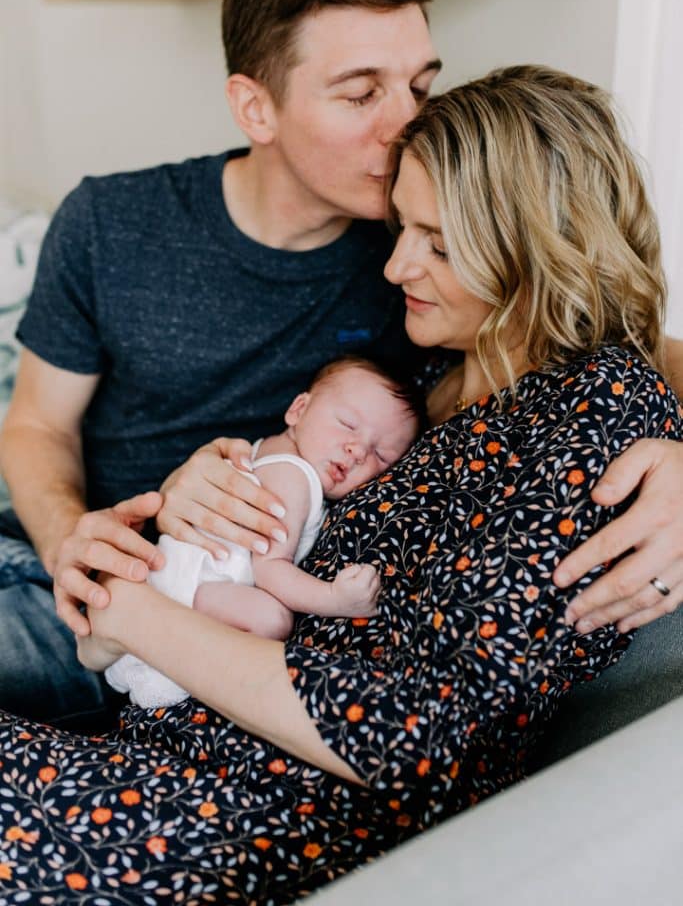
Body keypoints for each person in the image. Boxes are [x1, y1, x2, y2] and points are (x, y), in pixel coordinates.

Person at [1, 65, 680, 904]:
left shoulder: (590, 409)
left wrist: (129, 608)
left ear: (535, 244)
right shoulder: (443, 370)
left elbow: (417, 734)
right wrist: (195, 492)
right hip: (160, 744)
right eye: (402, 227)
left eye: (436, 241)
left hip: (254, 820)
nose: (395, 265)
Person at [0, 0, 682, 733]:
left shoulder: (439, 269)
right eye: (360, 95)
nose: (403, 130)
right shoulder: (110, 222)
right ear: (256, 105)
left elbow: (612, 345)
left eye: (419, 88)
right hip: (80, 566)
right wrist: (72, 546)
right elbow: (38, 422)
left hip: (187, 624)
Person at [101, 356, 421, 706]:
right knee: (272, 620)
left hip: (183, 577)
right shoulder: (293, 475)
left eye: (381, 455)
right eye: (347, 424)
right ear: (298, 409)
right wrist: (335, 599)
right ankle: (177, 673)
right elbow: (271, 570)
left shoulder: (273, 449)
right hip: (195, 584)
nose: (357, 451)